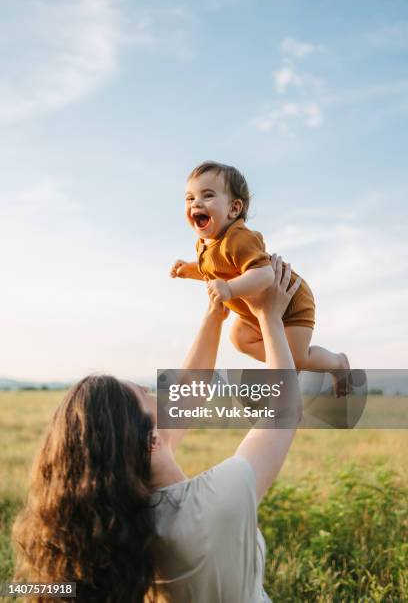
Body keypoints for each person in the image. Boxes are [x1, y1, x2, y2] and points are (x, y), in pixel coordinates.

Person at [13, 257, 300, 603]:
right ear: (151, 441)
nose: (165, 397)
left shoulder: (121, 526)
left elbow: (190, 390)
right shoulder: (219, 499)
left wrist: (215, 314)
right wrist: (270, 318)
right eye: (149, 395)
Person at [171, 160, 350, 396]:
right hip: (257, 312)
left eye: (207, 195)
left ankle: (338, 364)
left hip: (290, 303)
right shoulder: (205, 245)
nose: (196, 203)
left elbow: (264, 274)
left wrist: (229, 288)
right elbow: (213, 271)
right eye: (190, 198)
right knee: (239, 337)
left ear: (234, 209)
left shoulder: (239, 239)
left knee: (298, 357)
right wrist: (189, 271)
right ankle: (282, 359)